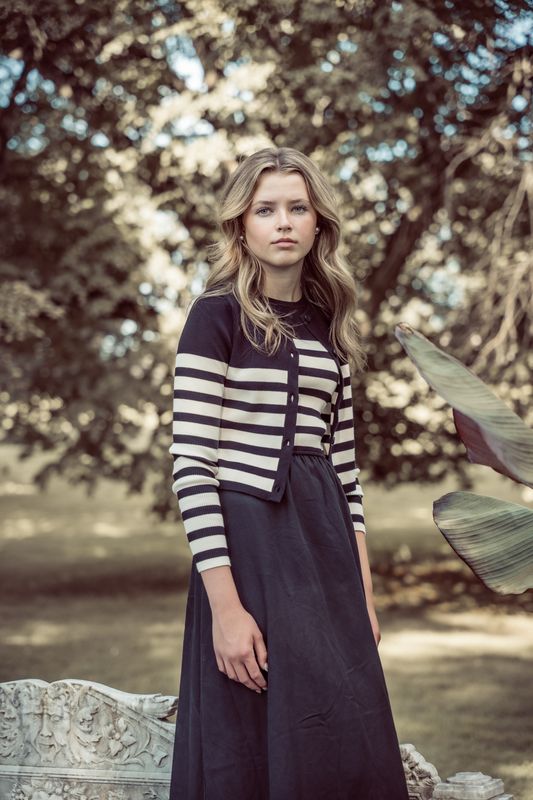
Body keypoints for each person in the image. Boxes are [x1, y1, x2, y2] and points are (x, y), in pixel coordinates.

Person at [168, 146, 410, 799]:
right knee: (252, 738)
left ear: (317, 224)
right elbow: (191, 466)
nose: (282, 222)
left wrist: (361, 596)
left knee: (341, 736)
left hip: (325, 552)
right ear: (240, 225)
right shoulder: (213, 317)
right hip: (248, 558)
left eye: (296, 208)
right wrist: (225, 610)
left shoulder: (329, 328)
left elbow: (346, 475)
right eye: (265, 209)